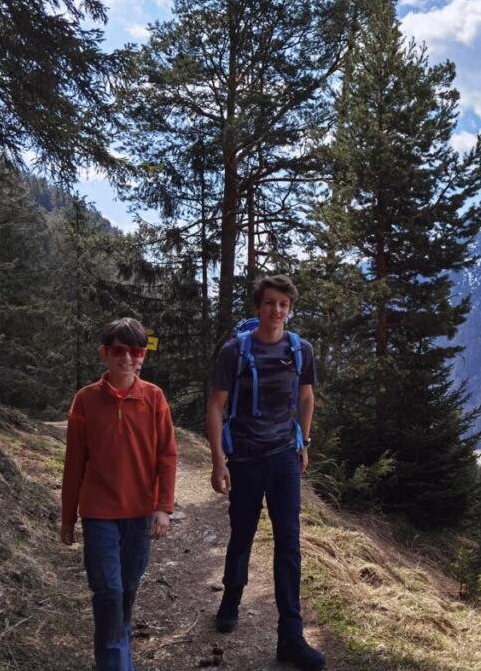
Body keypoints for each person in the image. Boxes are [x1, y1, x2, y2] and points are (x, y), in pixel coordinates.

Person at [206, 274, 325, 671]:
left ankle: (291, 636)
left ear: (290, 310)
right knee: (242, 534)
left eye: (283, 305)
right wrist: (218, 460)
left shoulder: (300, 350)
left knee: (289, 544)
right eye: (270, 303)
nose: (276, 311)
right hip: (244, 458)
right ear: (259, 306)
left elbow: (306, 397)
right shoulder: (234, 352)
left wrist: (302, 443)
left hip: (283, 458)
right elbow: (215, 406)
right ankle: (231, 599)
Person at [60, 317, 177, 671]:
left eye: (136, 351)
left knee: (125, 590)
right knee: (107, 592)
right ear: (105, 353)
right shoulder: (85, 400)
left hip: (141, 513)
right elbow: (74, 463)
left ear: (143, 355)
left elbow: (167, 455)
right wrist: (68, 519)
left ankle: (117, 644)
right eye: (119, 350)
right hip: (98, 513)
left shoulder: (154, 397)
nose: (127, 358)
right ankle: (116, 659)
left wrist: (163, 508)